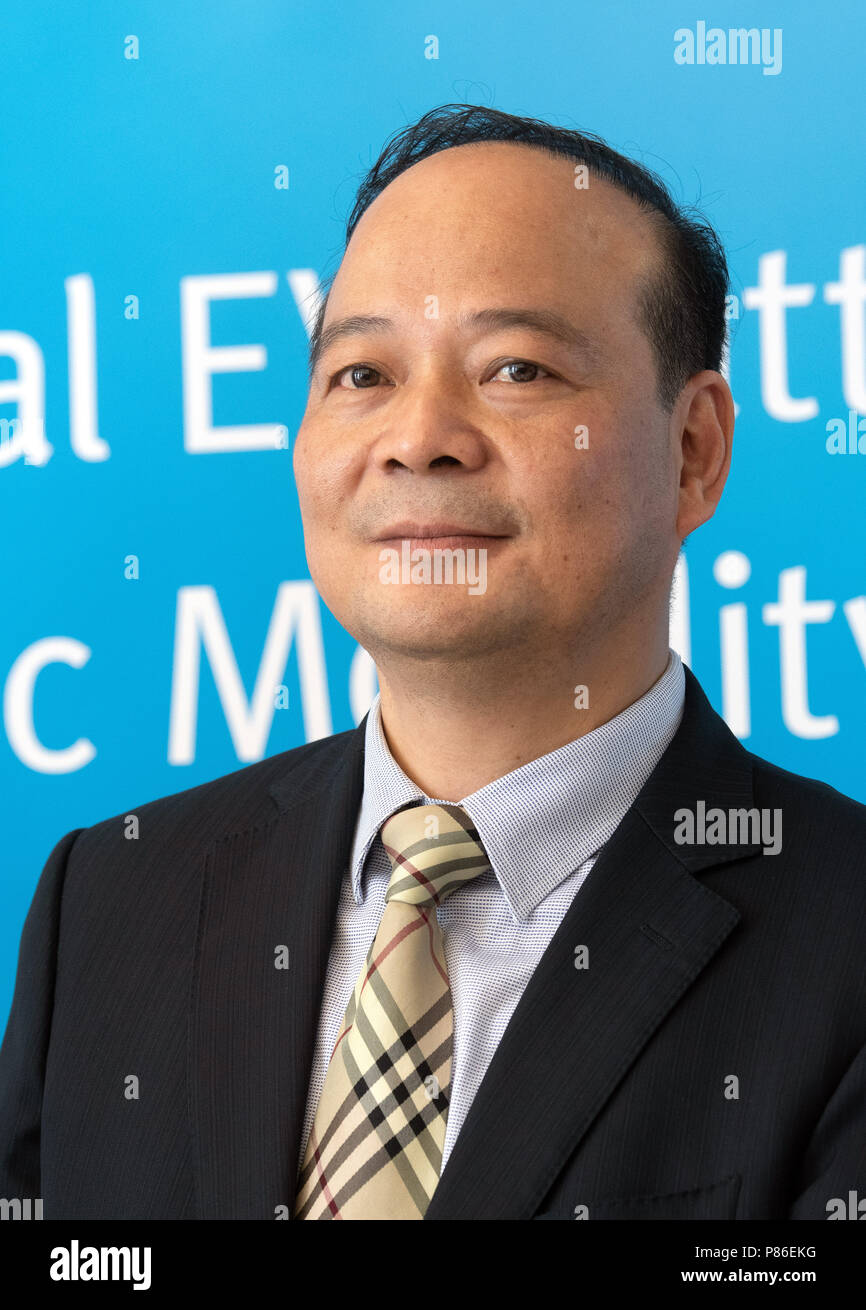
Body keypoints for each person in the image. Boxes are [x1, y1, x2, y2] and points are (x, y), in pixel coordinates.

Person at [1, 104, 864, 1221]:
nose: (420, 436)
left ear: (692, 452)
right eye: (361, 374)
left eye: (515, 368)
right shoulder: (112, 897)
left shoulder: (839, 938)